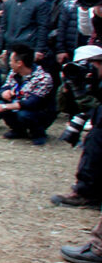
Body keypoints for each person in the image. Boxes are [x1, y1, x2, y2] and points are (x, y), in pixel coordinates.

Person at [50, 45, 102, 209]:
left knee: (95, 138)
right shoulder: (90, 82)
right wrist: (69, 88)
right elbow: (64, 108)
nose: (88, 71)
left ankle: (87, 193)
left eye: (91, 65)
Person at [0, 44, 55, 145]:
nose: (9, 63)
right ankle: (18, 130)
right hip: (18, 103)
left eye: (11, 60)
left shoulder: (43, 78)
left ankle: (38, 133)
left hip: (39, 111)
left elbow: (32, 103)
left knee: (23, 114)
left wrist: (5, 106)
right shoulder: (14, 72)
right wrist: (4, 93)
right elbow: (4, 87)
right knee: (0, 103)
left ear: (19, 63)